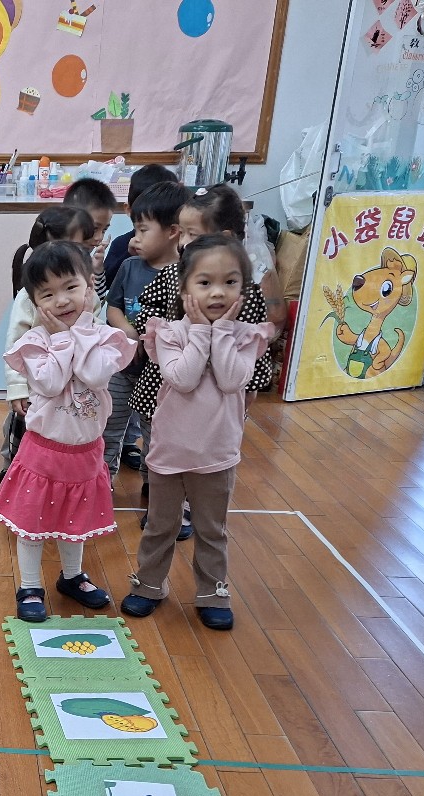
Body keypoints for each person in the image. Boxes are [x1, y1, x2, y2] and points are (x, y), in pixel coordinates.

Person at [120, 234, 272, 631]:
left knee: (211, 529)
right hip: (170, 451)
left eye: (230, 282)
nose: (217, 292)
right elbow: (183, 379)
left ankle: (212, 592)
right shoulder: (168, 333)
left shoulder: (246, 336)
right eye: (205, 282)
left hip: (217, 455)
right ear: (185, 287)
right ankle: (149, 584)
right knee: (161, 526)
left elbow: (231, 379)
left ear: (243, 287)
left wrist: (221, 332)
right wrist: (202, 332)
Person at [0, 241, 138, 623]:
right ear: (34, 303)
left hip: (86, 451)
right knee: (32, 523)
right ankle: (29, 586)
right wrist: (60, 338)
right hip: (43, 451)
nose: (61, 300)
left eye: (70, 287)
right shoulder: (34, 342)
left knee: (77, 520)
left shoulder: (104, 336)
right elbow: (51, 382)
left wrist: (81, 331)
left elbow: (95, 375)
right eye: (48, 294)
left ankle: (72, 577)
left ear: (89, 286)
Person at [127, 185, 277, 537]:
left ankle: (190, 507)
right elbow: (147, 309)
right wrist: (152, 334)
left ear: (223, 237)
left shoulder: (243, 293)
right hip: (169, 376)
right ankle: (160, 499)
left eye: (192, 234)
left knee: (205, 456)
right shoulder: (172, 274)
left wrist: (246, 397)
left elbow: (252, 352)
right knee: (158, 441)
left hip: (216, 397)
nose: (182, 242)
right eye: (181, 233)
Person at [0, 206, 97, 478]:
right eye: (80, 245)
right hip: (39, 388)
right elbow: (15, 345)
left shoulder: (87, 295)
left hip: (78, 388)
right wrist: (17, 388)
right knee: (27, 438)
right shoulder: (29, 297)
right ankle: (15, 472)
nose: (62, 301)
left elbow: (97, 336)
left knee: (69, 441)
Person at [103, 181, 187, 482]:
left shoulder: (186, 274)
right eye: (135, 230)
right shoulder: (130, 267)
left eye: (143, 230)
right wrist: (128, 331)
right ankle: (102, 481)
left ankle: (153, 485)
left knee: (156, 431)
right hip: (122, 367)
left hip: (160, 375)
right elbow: (113, 308)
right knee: (109, 425)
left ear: (172, 231)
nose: (135, 238)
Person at [103, 164, 177, 289]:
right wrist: (129, 255)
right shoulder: (121, 244)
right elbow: (108, 284)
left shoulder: (183, 249)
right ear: (129, 209)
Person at [62, 176, 119, 300]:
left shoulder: (87, 259)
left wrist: (97, 270)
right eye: (94, 228)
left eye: (104, 230)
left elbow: (98, 302)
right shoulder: (53, 258)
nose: (99, 237)